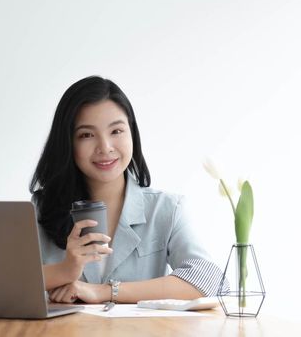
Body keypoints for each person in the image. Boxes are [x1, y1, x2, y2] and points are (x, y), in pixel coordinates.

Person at [29, 75, 225, 304]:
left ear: (132, 133)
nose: (105, 147)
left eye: (116, 131)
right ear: (68, 143)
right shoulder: (40, 210)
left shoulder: (167, 209)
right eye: (86, 135)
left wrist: (104, 291)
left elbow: (209, 279)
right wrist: (65, 270)